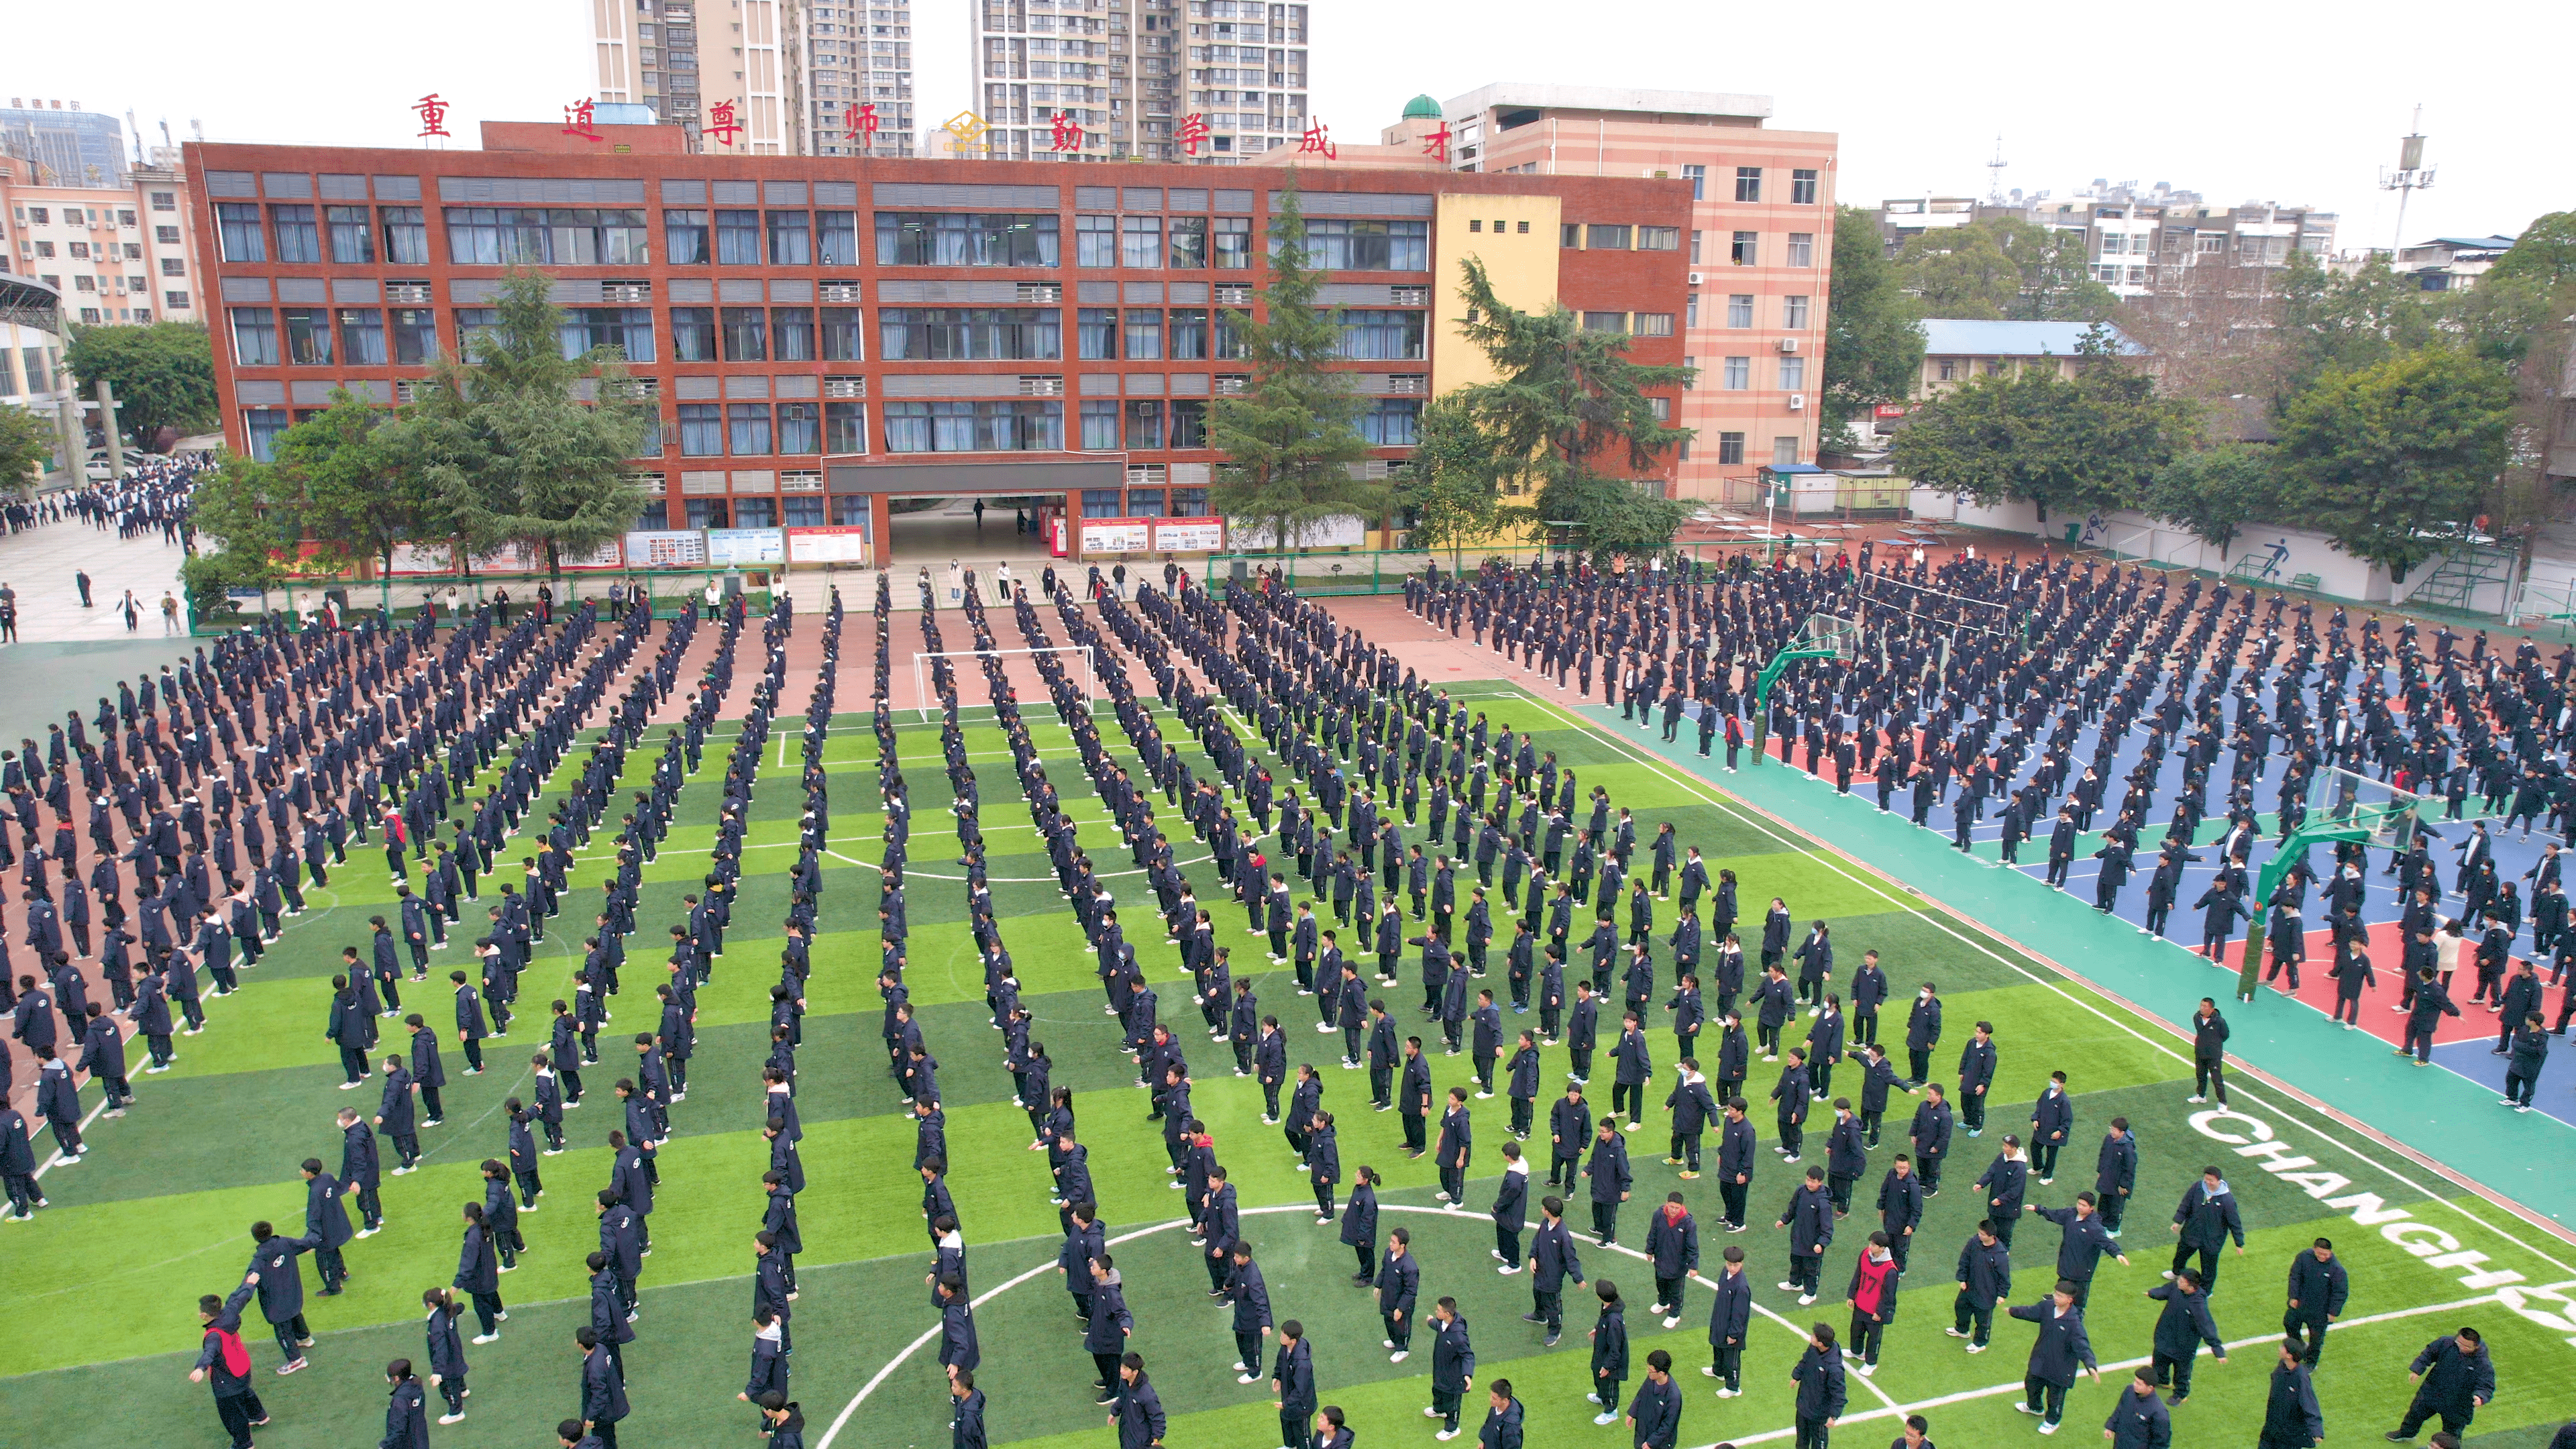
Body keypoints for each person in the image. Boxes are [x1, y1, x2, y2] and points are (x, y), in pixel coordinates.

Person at [2009, 1280, 2101, 1432]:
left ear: (2070, 1300)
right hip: (2041, 1360)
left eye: (2060, 1296)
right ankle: (2035, 1407)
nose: (2056, 1298)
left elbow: (2083, 1347)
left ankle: (2053, 1421)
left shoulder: (2074, 1323)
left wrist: (2091, 1366)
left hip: (2061, 1368)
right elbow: (2031, 1312)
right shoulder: (2047, 1307)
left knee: (2055, 1398)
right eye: (2055, 1294)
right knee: (2031, 1384)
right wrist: (2013, 1311)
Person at [189, 1283, 266, 1449]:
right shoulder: (229, 1313)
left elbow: (209, 1353)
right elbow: (240, 1299)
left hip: (227, 1377)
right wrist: (249, 1284)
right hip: (242, 1367)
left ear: (204, 1315)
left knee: (232, 1413)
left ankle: (244, 1444)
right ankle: (258, 1415)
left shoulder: (213, 1336)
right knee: (245, 1392)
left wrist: (200, 1368)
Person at [2387, 1328, 2495, 1442]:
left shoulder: (2483, 1363)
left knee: (2452, 1432)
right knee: (2415, 1414)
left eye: (2466, 1347)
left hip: (2459, 1402)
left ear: (2476, 1347)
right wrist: (2417, 1369)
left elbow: (2486, 1384)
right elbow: (2429, 1353)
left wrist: (2481, 1397)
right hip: (2433, 1391)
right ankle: (2407, 1433)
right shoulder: (2446, 1343)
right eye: (2459, 1343)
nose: (2461, 1348)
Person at [2167, 1167, 2245, 1297]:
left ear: (2218, 1181)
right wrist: (2178, 1221)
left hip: (2212, 1240)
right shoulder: (2198, 1188)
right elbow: (2186, 1204)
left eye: (2211, 1180)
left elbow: (2234, 1222)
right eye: (2206, 1179)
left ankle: (2206, 1291)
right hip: (2192, 1233)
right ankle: (2176, 1273)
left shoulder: (2227, 1200)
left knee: (2209, 1267)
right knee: (2181, 1254)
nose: (2208, 1182)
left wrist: (2239, 1243)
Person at [2283, 1238, 2348, 1366]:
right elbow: (2295, 1276)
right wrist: (2293, 1296)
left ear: (2331, 1252)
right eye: (2320, 1253)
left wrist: (2333, 1312)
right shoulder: (2303, 1257)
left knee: (2316, 1339)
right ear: (2314, 1249)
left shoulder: (2336, 1269)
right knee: (2289, 1323)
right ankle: (2300, 1346)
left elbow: (2340, 1292)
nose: (2322, 1257)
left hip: (2320, 1311)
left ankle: (2311, 1363)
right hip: (2300, 1304)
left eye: (2326, 1254)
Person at [1949, 1220, 2010, 1352]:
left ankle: (1980, 1343)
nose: (1979, 1236)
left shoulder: (2000, 1255)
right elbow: (1965, 1259)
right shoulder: (1974, 1242)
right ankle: (1962, 1330)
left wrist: (2002, 1294)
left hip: (1987, 1293)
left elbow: (2004, 1277)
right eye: (1979, 1233)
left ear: (1991, 1236)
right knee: (1960, 1307)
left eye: (1982, 1234)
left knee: (1982, 1321)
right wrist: (1962, 1279)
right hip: (1970, 1287)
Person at [2259, 1338, 2325, 1449]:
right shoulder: (2281, 1368)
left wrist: (2316, 1429)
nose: (2279, 1349)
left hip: (2289, 1435)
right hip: (2272, 1428)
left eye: (2282, 1348)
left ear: (2289, 1356)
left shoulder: (2301, 1377)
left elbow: (2309, 1402)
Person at [1789, 1321, 1845, 1449]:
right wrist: (1796, 1375)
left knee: (1819, 1444)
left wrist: (1834, 1415)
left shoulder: (1834, 1369)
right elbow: (1805, 1360)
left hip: (1819, 1415)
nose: (1811, 1337)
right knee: (1801, 1442)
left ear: (1821, 1343)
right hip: (1804, 1406)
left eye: (1813, 1336)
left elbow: (1839, 1393)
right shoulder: (1813, 1348)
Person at [1429, 1295, 1477, 1439]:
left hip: (1454, 1378)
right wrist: (1431, 1321)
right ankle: (1439, 1410)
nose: (1436, 1312)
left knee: (1452, 1403)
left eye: (1438, 1310)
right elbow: (1439, 1327)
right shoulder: (1444, 1323)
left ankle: (1452, 1428)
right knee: (1437, 1390)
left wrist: (1467, 1375)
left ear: (1447, 1314)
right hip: (1441, 1370)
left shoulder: (1458, 1335)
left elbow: (1468, 1355)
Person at [1587, 1280, 1627, 1426]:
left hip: (1610, 1360)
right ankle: (1601, 1396)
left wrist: (1608, 1366)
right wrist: (1598, 1330)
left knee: (1609, 1383)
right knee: (1597, 1374)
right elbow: (1604, 1323)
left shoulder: (1614, 1319)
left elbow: (1616, 1348)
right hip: (1601, 1352)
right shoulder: (1608, 1308)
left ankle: (1611, 1411)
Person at [1271, 1320, 1316, 1449]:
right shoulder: (1285, 1347)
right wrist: (1277, 1377)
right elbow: (1280, 1363)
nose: (1281, 1337)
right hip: (1289, 1397)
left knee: (1301, 1432)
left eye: (1283, 1335)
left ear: (1293, 1341)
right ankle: (1290, 1446)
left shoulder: (1302, 1364)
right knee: (1286, 1420)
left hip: (1302, 1405)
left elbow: (1301, 1390)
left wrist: (1286, 1403)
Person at [2103, 1367, 2173, 1449]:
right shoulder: (2129, 1391)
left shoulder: (2159, 1412)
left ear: (2150, 1388)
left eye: (2139, 1384)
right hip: (2120, 1444)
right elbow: (2120, 1409)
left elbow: (2161, 1442)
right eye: (2135, 1381)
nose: (2135, 1385)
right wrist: (2111, 1426)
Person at [1625, 1349, 1680, 1449]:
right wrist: (1632, 1413)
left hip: (1660, 1444)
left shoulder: (1674, 1396)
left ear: (1661, 1373)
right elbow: (1641, 1394)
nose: (1648, 1372)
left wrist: (1651, 1443)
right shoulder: (1652, 1378)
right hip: (1643, 1432)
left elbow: (1668, 1425)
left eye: (1650, 1370)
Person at [1110, 1353, 1164, 1449]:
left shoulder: (1147, 1394)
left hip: (1141, 1442)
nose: (1121, 1371)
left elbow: (1157, 1417)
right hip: (1127, 1435)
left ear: (1135, 1372)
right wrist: (1114, 1412)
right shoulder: (1125, 1383)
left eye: (1125, 1369)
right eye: (1121, 1367)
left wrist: (1156, 1439)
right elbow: (1122, 1399)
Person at [380, 1358, 430, 1449]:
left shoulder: (400, 1401)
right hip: (420, 1440)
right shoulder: (417, 1385)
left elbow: (398, 1430)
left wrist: (384, 1446)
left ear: (396, 1378)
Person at [1477, 1379, 1525, 1449]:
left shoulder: (1511, 1425)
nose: (1490, 1399)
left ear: (1505, 1400)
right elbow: (1488, 1425)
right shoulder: (1495, 1408)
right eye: (1491, 1396)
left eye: (1494, 1398)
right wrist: (1484, 1441)